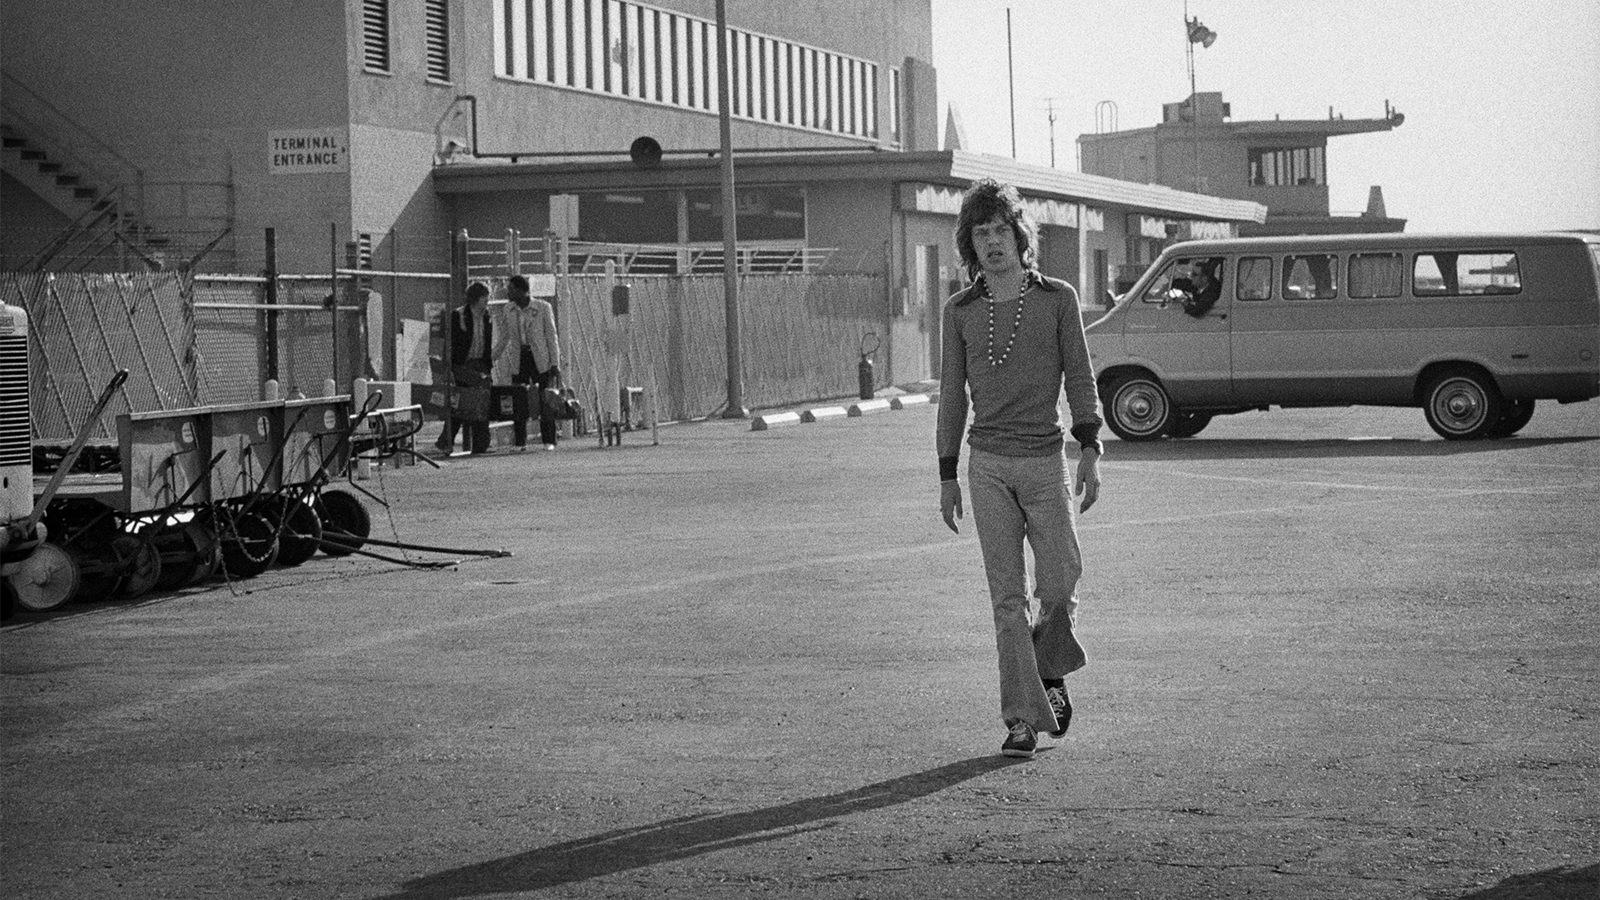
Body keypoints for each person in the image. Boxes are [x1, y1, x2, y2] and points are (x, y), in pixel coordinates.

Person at [937, 178, 1104, 760]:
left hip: (1044, 463)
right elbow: (951, 398)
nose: (991, 243)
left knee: (1059, 584)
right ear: (969, 245)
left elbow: (1080, 377)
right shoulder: (958, 312)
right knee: (1007, 599)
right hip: (987, 468)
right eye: (979, 234)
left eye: (999, 231)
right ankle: (1021, 719)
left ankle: (1049, 666)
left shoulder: (1057, 299)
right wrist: (946, 473)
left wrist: (1090, 448)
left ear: (1019, 235)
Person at [493, 274, 562, 451]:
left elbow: (551, 336)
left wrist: (555, 363)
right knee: (518, 399)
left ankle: (549, 439)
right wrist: (491, 358)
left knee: (544, 399)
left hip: (540, 358)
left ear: (522, 290)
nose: (508, 292)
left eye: (511, 289)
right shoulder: (509, 310)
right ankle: (520, 441)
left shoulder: (542, 307)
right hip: (520, 357)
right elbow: (504, 337)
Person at [435, 281, 494, 456]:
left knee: (481, 404)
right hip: (463, 365)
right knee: (461, 403)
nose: (487, 302)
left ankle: (480, 444)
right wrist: (450, 367)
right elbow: (451, 343)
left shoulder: (487, 317)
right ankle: (446, 441)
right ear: (477, 298)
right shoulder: (459, 315)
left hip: (480, 364)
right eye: (485, 298)